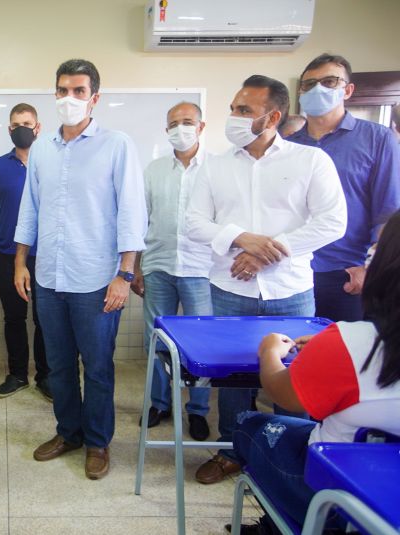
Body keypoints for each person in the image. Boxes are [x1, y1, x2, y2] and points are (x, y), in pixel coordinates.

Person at [185, 75, 347, 485]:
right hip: (230, 290)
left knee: (296, 379)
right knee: (233, 382)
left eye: (244, 110)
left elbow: (333, 222)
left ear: (272, 116)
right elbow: (192, 222)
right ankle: (233, 452)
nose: (234, 117)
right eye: (234, 108)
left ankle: (289, 460)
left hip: (290, 292)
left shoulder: (309, 161)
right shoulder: (216, 166)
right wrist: (241, 239)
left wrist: (266, 251)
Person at [228, 209, 400, 535]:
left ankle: (279, 526)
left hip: (335, 495)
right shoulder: (345, 343)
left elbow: (284, 394)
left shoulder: (351, 343)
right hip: (390, 503)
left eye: (374, 250)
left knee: (249, 426)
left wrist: (269, 353)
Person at [14, 59, 147, 480]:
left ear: (94, 97)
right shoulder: (42, 149)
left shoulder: (117, 144)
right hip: (50, 276)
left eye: (78, 91)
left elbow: (132, 211)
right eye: (62, 90)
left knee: (99, 365)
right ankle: (68, 432)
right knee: (57, 364)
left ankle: (98, 441)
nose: (69, 99)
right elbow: (29, 208)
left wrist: (125, 274)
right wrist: (20, 261)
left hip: (97, 280)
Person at [288, 54, 400, 322]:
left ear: (347, 90)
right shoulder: (289, 145)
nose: (317, 90)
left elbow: (388, 211)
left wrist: (369, 266)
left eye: (328, 81)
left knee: (342, 356)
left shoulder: (377, 138)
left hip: (347, 272)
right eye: (309, 84)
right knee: (291, 354)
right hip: (293, 268)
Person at [132, 102, 212, 441]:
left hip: (201, 269)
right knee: (158, 341)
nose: (180, 129)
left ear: (201, 126)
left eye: (187, 122)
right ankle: (160, 404)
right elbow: (139, 222)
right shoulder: (153, 170)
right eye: (174, 124)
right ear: (166, 130)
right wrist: (135, 268)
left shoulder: (216, 169)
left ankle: (197, 410)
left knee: (202, 344)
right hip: (158, 266)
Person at [0, 103, 50, 401]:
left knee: (44, 318)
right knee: (14, 317)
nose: (22, 128)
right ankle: (17, 375)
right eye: (16, 124)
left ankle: (46, 376)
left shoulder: (52, 163)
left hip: (46, 255)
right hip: (8, 255)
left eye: (27, 123)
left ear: (38, 127)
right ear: (9, 130)